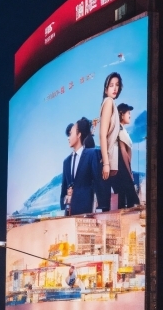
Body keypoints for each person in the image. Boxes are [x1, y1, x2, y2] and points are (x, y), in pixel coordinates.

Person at [60, 121, 100, 216]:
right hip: (69, 216)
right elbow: (63, 194)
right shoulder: (66, 162)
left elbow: (98, 185)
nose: (68, 138)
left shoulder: (91, 155)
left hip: (88, 214)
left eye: (70, 134)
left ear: (79, 135)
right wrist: (67, 197)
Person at [99, 72, 123, 210]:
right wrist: (106, 163)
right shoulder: (108, 102)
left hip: (112, 155)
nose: (115, 88)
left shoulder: (111, 103)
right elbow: (103, 135)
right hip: (110, 156)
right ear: (106, 89)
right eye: (111, 85)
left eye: (117, 85)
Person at [116, 103, 139, 209]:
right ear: (121, 114)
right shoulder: (119, 131)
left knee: (126, 200)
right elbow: (123, 152)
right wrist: (129, 172)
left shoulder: (122, 130)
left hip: (124, 169)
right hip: (123, 170)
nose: (129, 115)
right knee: (131, 201)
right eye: (128, 113)